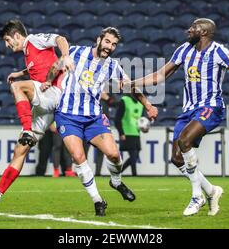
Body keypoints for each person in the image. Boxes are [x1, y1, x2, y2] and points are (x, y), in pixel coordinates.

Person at [132, 18, 229, 216]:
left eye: (194, 27)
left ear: (204, 32)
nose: (189, 30)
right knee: (176, 158)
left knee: (185, 140)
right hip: (188, 109)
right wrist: (132, 83)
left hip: (210, 106)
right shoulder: (184, 49)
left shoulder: (218, 51)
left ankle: (197, 197)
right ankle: (211, 191)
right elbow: (160, 75)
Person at [41, 27, 158, 216]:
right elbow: (55, 66)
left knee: (113, 155)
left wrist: (148, 105)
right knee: (79, 158)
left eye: (113, 44)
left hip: (94, 118)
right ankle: (98, 200)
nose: (109, 47)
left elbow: (129, 87)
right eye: (107, 42)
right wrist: (48, 81)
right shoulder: (76, 52)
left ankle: (116, 182)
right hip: (67, 116)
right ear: (99, 40)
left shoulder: (112, 65)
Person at [0, 19, 74, 208]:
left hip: (53, 92)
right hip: (44, 103)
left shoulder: (34, 39)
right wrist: (20, 73)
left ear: (17, 35)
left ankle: (27, 129)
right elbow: (38, 66)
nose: (6, 44)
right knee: (20, 150)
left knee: (17, 88)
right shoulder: (28, 53)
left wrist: (66, 56)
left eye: (7, 40)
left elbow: (60, 39)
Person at [82, 92, 115, 176]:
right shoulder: (90, 89)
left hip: (102, 123)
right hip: (89, 121)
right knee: (85, 148)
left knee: (101, 150)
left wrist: (106, 97)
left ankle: (98, 172)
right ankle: (85, 172)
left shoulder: (108, 90)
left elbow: (115, 103)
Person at [115, 94, 145, 176]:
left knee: (135, 155)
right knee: (133, 154)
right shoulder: (125, 100)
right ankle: (134, 174)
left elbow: (140, 120)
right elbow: (117, 119)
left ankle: (119, 172)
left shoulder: (140, 104)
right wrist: (121, 132)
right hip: (126, 132)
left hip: (136, 133)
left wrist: (144, 127)